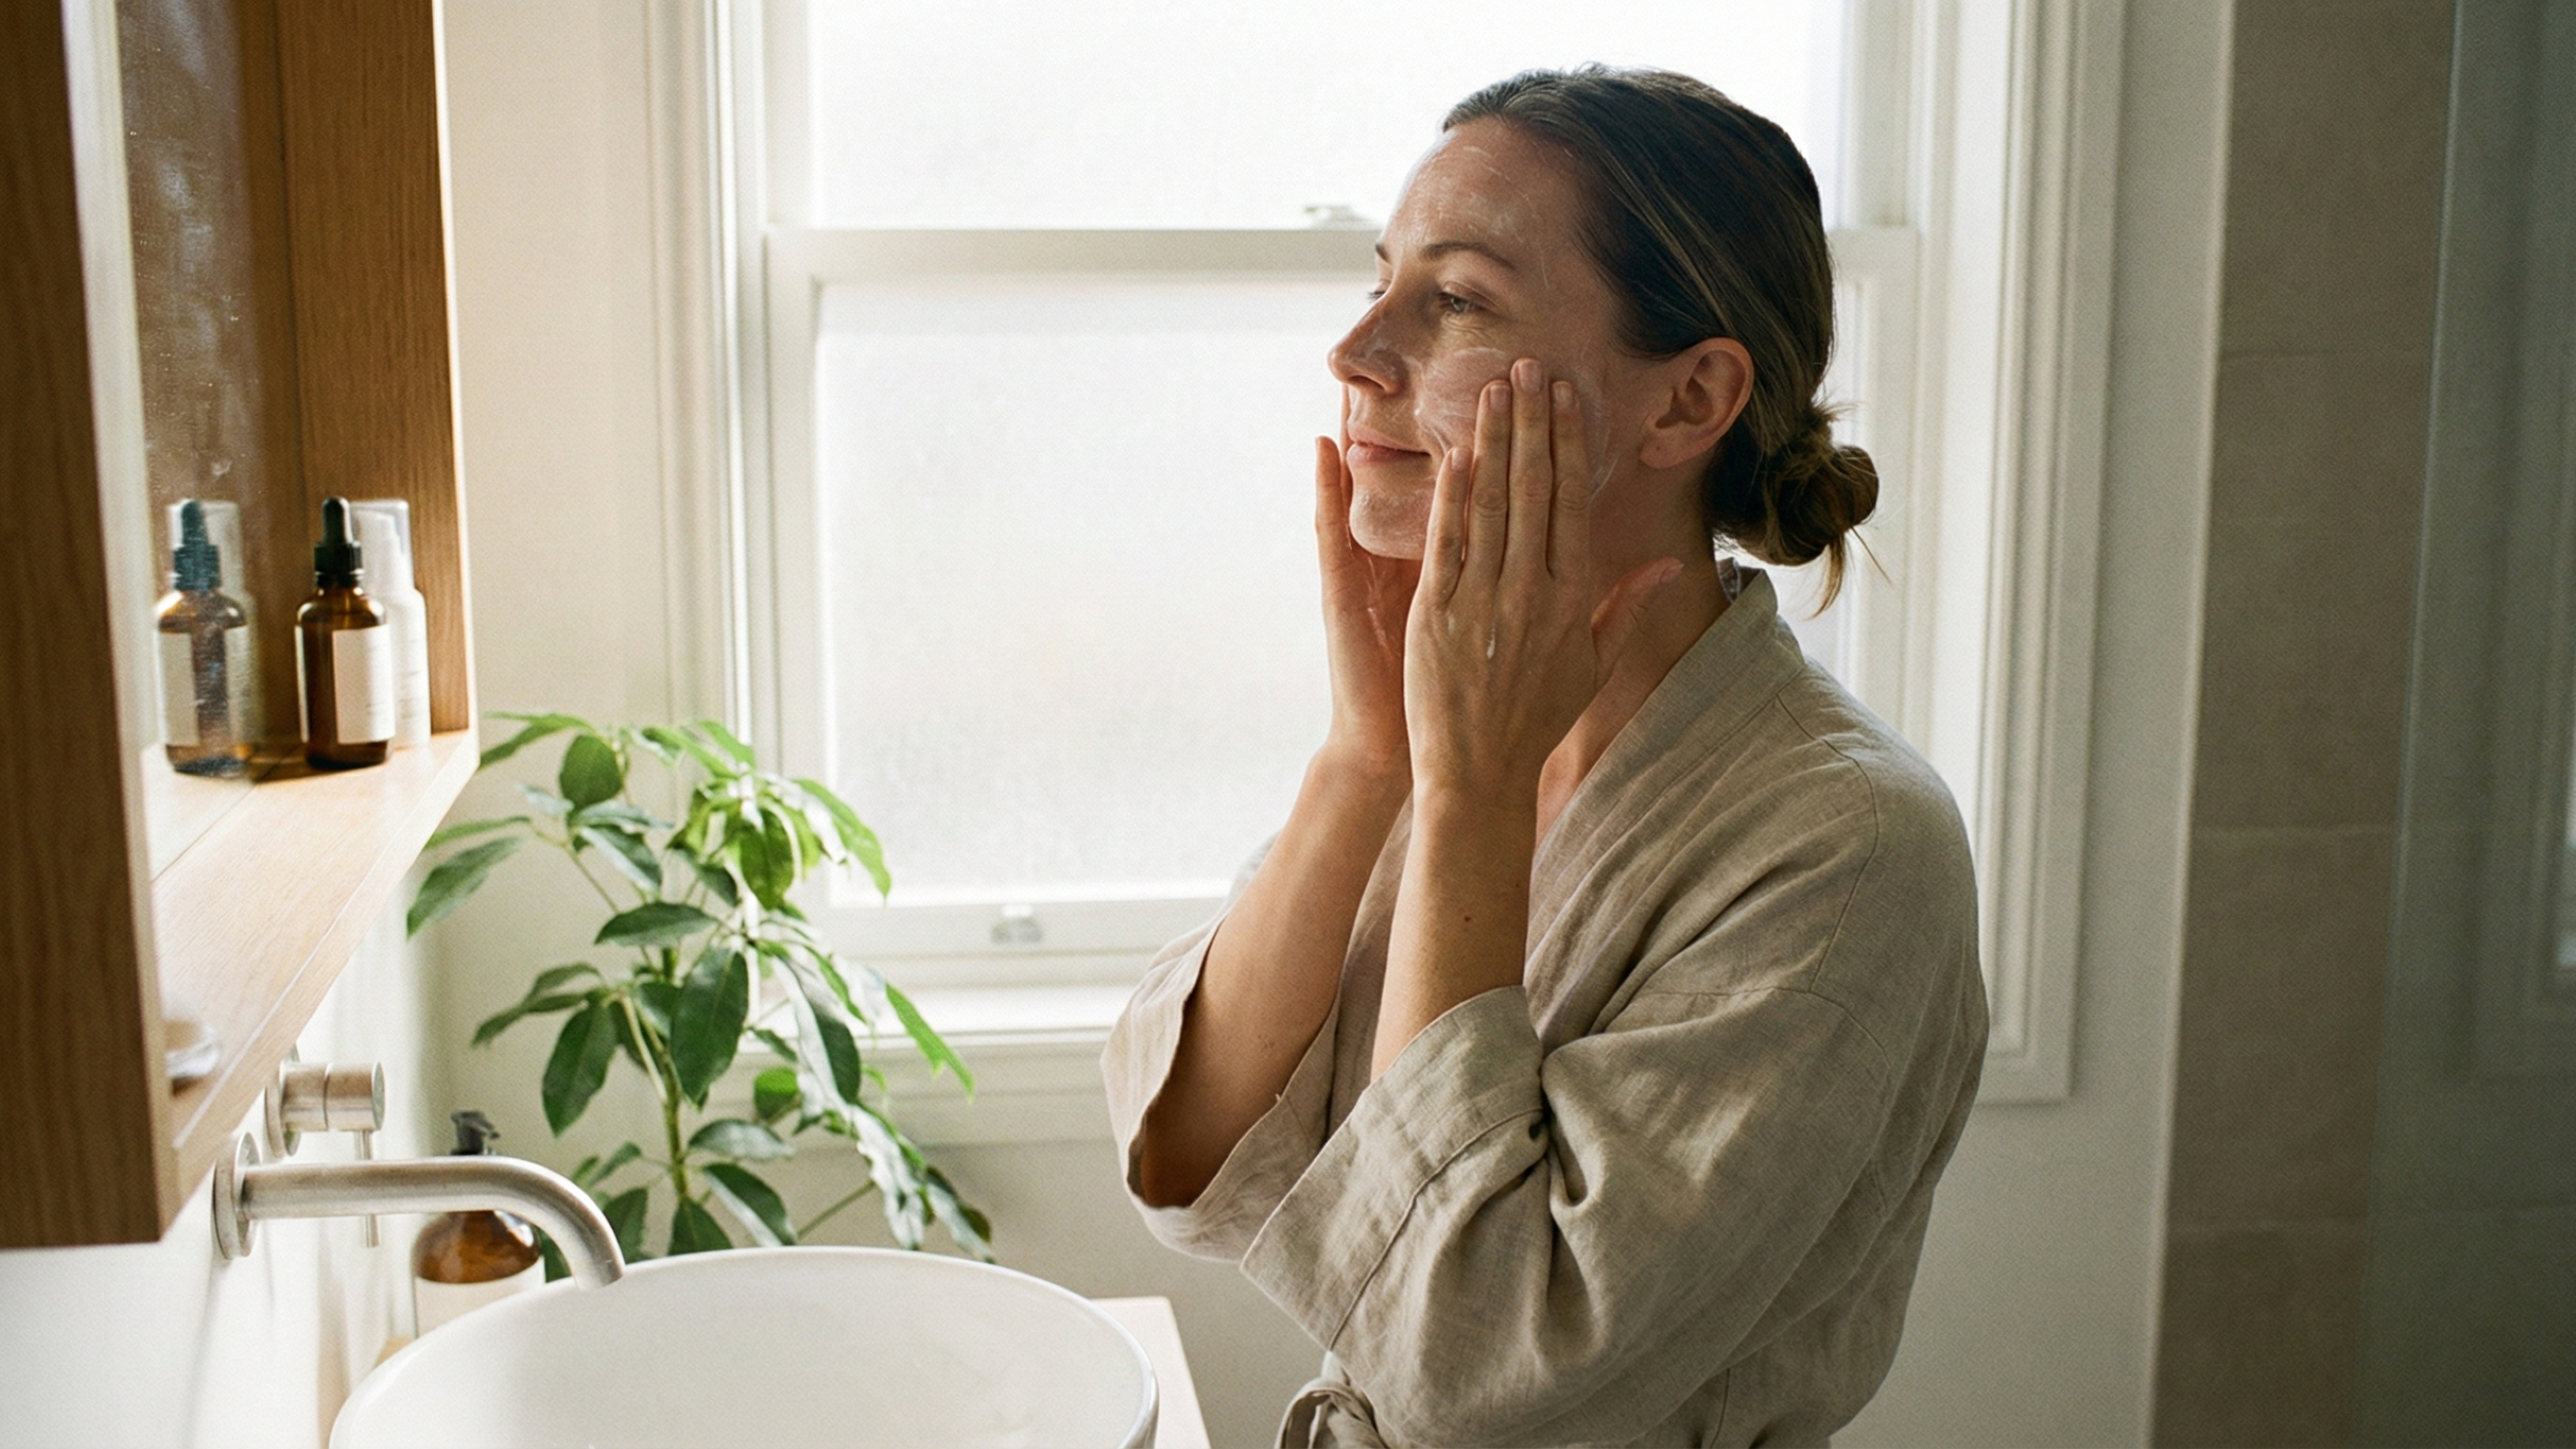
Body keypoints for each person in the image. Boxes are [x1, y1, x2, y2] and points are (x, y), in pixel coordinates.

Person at [1102, 66, 1987, 1448]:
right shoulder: (1448, 730)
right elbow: (1186, 1165)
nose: (1355, 351)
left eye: (1455, 300)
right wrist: (1366, 760)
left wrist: (1469, 793)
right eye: (1380, 281)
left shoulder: (1851, 850)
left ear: (1688, 400)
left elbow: (1469, 1377)